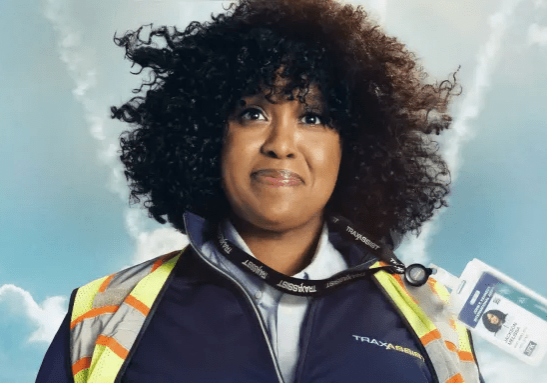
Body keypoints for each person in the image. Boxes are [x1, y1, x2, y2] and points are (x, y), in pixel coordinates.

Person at [36, 0, 485, 382]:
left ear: (355, 145)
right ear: (209, 134)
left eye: (312, 118)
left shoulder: (434, 313)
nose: (281, 145)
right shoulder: (106, 312)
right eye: (252, 113)